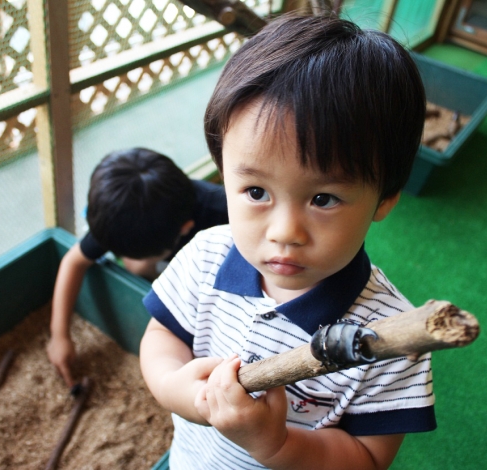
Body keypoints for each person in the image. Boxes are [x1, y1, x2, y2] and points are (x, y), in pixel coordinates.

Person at [139, 14, 436, 470]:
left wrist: (274, 444)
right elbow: (162, 339)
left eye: (323, 198)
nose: (284, 232)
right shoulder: (206, 257)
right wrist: (182, 391)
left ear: (384, 199)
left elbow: (367, 459)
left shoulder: (390, 338)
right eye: (256, 192)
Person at [48, 147, 228, 387]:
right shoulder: (123, 216)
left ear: (185, 228)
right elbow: (73, 261)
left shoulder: (226, 215)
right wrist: (59, 335)